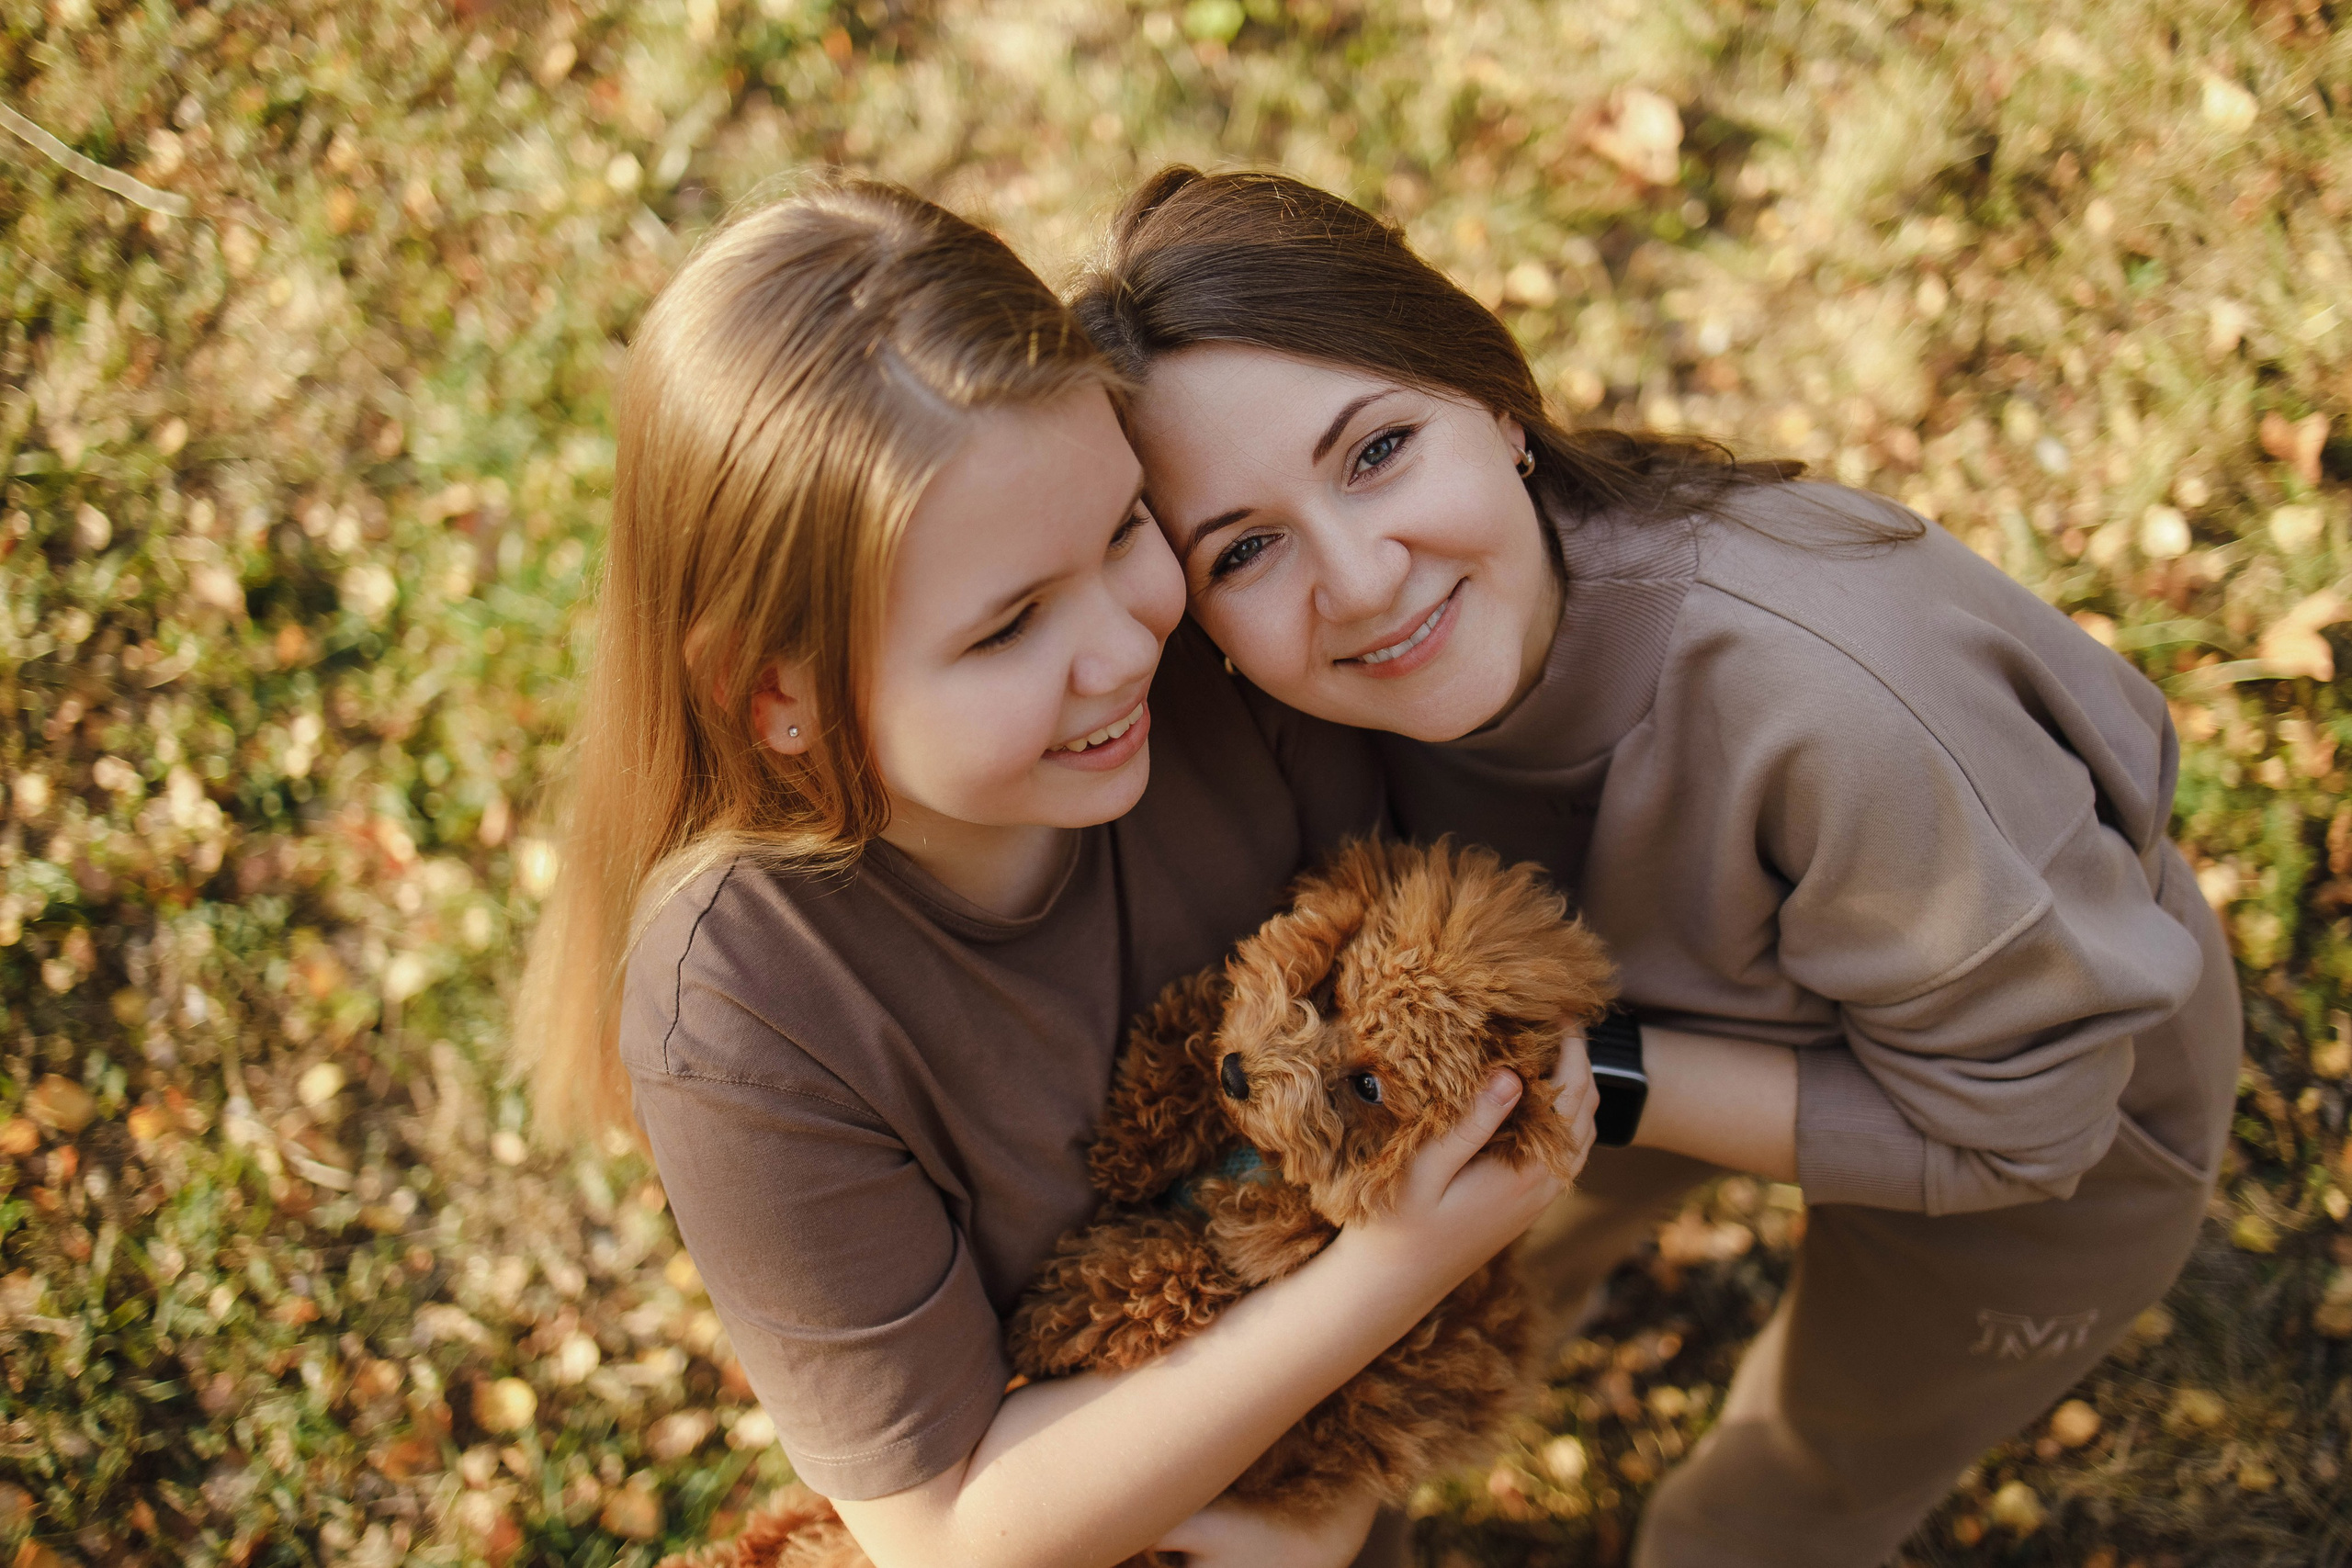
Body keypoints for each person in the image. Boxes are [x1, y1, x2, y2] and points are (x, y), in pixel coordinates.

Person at [1079, 167, 2240, 1568]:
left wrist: (1574, 1084)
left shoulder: (1840, 711)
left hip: (2022, 1090)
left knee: (1780, 1499)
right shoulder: (1274, 695)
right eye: (1247, 547)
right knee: (1425, 1309)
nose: (1364, 579)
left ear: (1498, 405)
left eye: (1377, 450)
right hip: (1618, 1012)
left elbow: (2033, 1125)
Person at [514, 179, 1600, 1568]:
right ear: (776, 695)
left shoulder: (1219, 655)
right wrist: (1390, 1289)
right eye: (1010, 626)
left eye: (1124, 531)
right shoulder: (749, 1004)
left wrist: (1340, 1467)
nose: (1127, 640)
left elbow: (1429, 1027)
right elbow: (944, 1525)